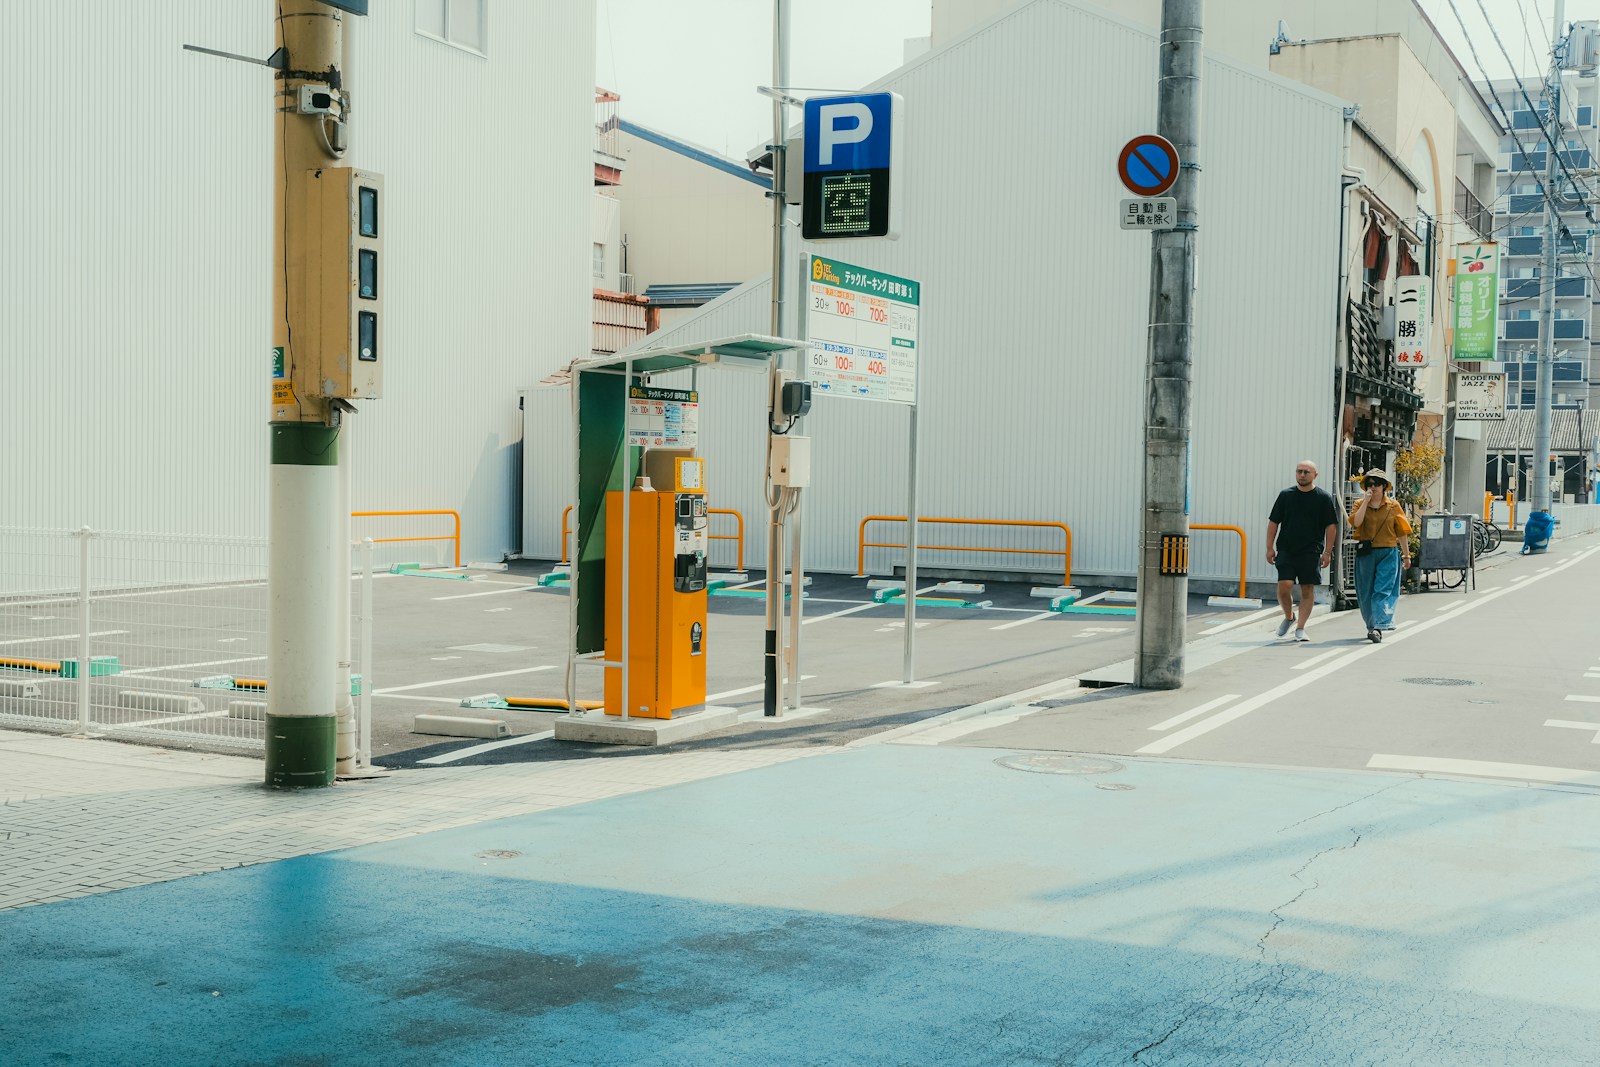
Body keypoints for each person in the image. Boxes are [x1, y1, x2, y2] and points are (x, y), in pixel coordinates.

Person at [1266, 460, 1339, 642]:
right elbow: (1274, 522)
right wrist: (1269, 548)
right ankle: (1289, 616)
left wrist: (1327, 552)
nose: (1302, 475)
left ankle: (1300, 628)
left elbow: (1331, 526)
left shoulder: (1323, 498)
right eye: (1299, 471)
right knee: (1284, 585)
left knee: (1307, 588)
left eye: (1307, 472)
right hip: (1286, 549)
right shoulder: (1286, 495)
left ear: (1315, 475)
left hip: (1311, 551)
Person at [1347, 468, 1412, 643]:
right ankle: (1372, 626)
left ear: (1384, 486)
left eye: (1376, 484)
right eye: (1369, 484)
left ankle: (1379, 625)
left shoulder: (1393, 505)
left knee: (1383, 589)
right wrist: (1365, 503)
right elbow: (1356, 523)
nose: (1373, 487)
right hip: (1366, 553)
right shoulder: (1359, 504)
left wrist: (1406, 556)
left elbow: (1402, 532)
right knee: (1365, 591)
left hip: (1388, 552)